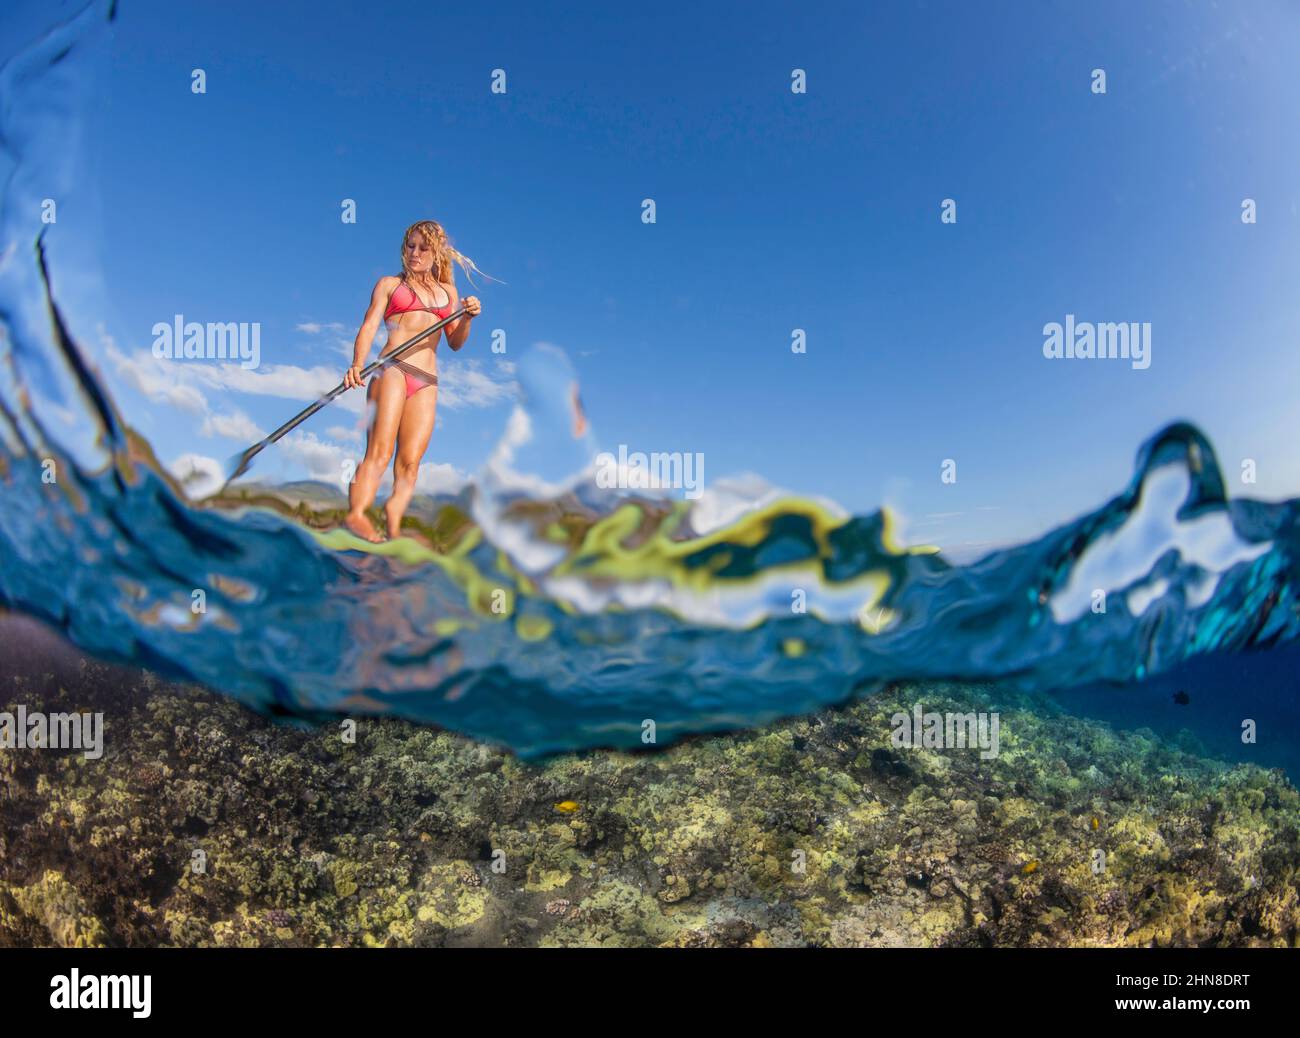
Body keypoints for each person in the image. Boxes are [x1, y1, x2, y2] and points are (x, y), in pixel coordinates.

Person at [342, 220, 485, 542]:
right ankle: (357, 515)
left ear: (436, 253)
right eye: (410, 246)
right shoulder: (390, 284)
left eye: (423, 248)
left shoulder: (448, 292)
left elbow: (456, 342)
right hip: (392, 366)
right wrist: (356, 364)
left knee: (410, 463)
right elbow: (368, 326)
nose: (415, 253)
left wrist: (467, 318)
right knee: (379, 451)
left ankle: (393, 522)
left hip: (428, 379)